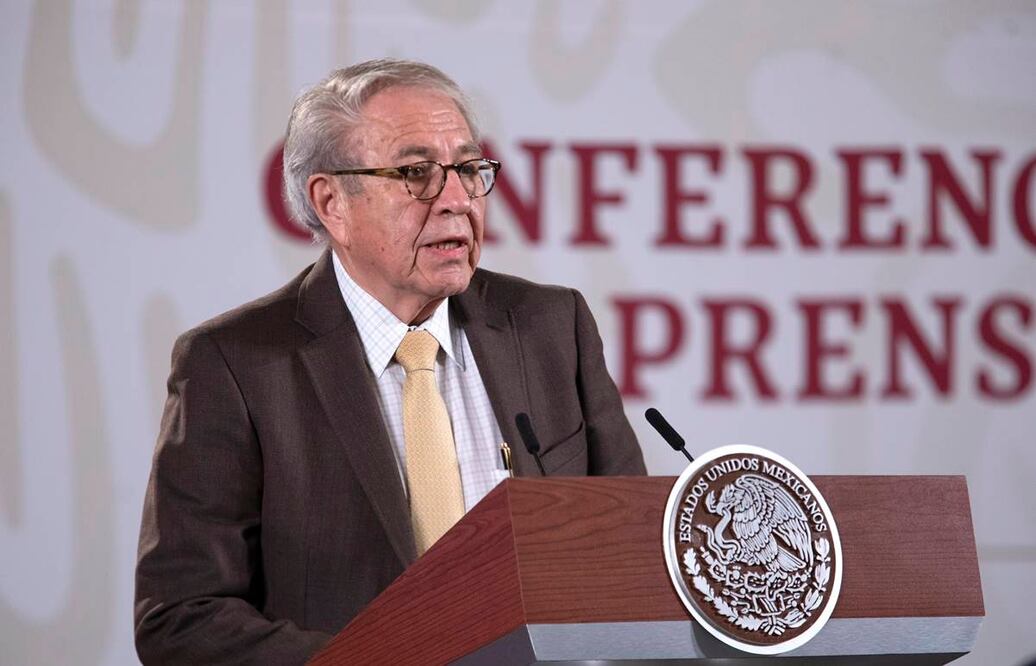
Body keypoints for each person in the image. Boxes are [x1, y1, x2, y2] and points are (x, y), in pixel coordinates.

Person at [134, 58, 646, 665]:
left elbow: (630, 559)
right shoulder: (234, 364)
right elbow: (182, 618)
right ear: (332, 203)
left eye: (468, 168)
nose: (456, 199)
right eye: (415, 172)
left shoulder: (551, 328)